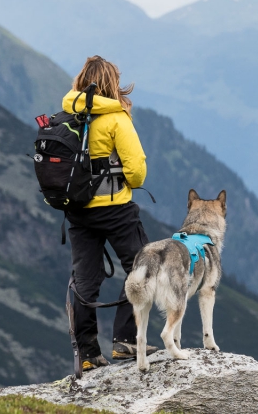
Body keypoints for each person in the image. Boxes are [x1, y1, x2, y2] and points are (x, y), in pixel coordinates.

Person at [63, 55, 157, 370]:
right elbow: (137, 173)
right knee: (143, 267)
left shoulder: (66, 114)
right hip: (115, 210)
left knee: (85, 280)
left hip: (77, 212)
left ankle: (87, 354)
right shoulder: (116, 118)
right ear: (111, 84)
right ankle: (125, 342)